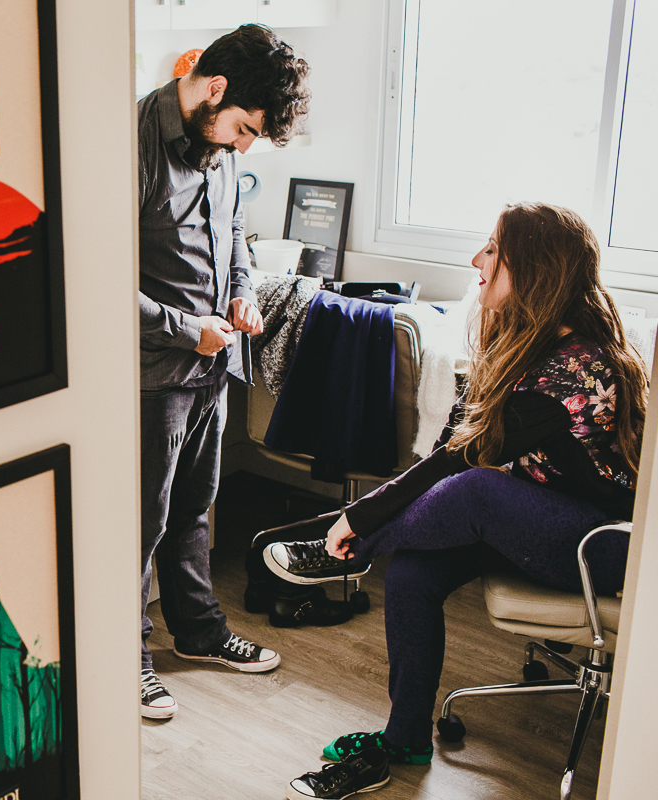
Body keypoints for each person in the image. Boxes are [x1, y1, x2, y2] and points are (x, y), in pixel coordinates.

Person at [265, 202, 647, 780]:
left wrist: (360, 520)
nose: (477, 260)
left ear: (535, 268)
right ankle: (405, 740)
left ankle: (341, 549)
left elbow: (464, 459)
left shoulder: (575, 366)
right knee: (411, 574)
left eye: (493, 250)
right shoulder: (520, 341)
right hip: (536, 520)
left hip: (602, 544)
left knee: (477, 489)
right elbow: (452, 439)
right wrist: (367, 514)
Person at [137, 25, 311, 720]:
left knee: (193, 510)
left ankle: (200, 633)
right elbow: (96, 277)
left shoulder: (221, 151)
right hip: (153, 373)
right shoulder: (130, 146)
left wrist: (242, 291)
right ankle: (125, 659)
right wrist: (190, 330)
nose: (243, 146)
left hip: (214, 366)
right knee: (138, 522)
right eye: (243, 129)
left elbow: (234, 232)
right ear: (214, 89)